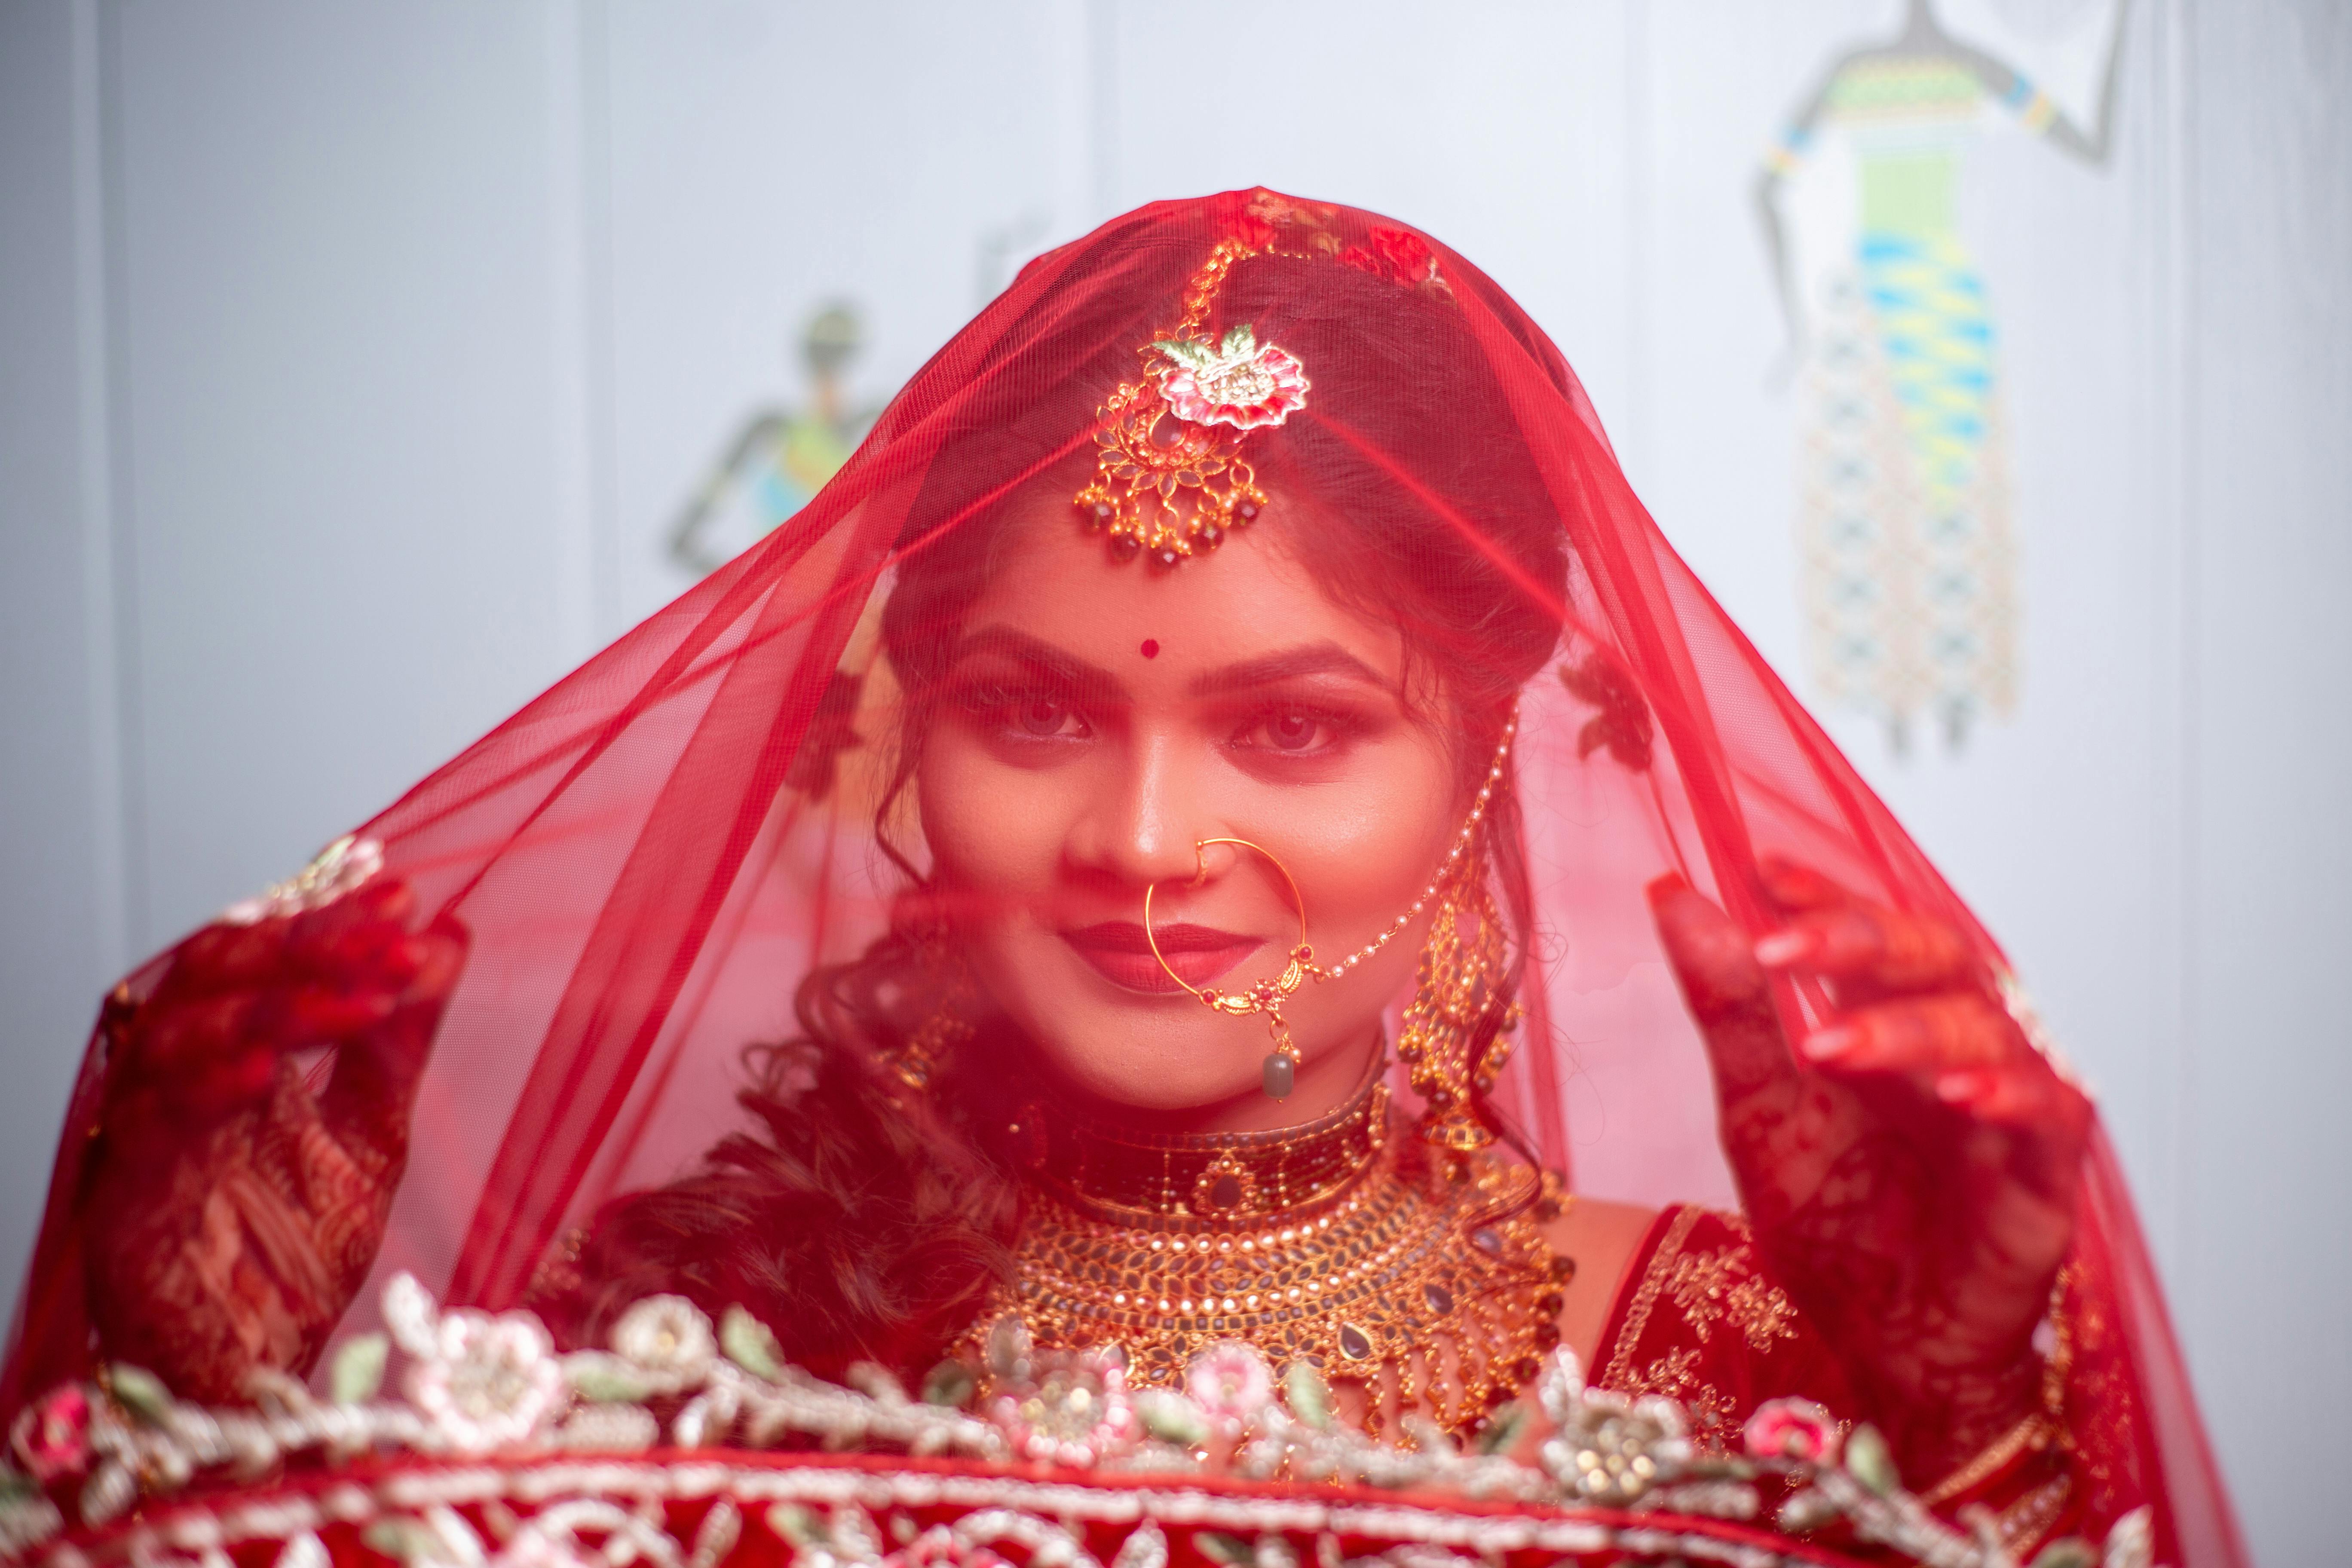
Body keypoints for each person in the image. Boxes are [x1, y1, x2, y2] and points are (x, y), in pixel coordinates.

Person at [2, 191, 2240, 1566]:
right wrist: (195, 1432)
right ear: (915, 715)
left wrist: (1967, 1434)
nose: (1144, 850)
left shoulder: (1707, 1358)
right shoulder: (697, 1339)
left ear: (1489, 744)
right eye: (1037, 712)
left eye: (1291, 726)